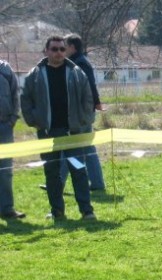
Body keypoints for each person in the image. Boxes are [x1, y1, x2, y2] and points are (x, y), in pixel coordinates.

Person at [21, 35, 96, 221]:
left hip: (73, 133)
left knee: (79, 170)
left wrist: (84, 120)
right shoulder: (35, 75)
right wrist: (34, 121)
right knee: (52, 174)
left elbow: (88, 98)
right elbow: (25, 99)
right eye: (54, 49)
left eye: (62, 49)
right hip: (48, 134)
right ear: (46, 51)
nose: (59, 53)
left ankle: (87, 211)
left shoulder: (77, 72)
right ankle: (57, 211)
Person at [58, 34, 106, 192]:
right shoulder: (74, 63)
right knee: (75, 148)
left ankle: (60, 183)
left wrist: (96, 104)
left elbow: (91, 87)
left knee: (76, 148)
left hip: (82, 115)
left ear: (72, 47)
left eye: (65, 46)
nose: (62, 50)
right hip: (77, 114)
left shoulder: (80, 64)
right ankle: (60, 182)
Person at [0, 59, 26, 220]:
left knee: (5, 171)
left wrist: (12, 120)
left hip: (4, 127)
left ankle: (7, 208)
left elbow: (16, 95)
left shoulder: (5, 69)